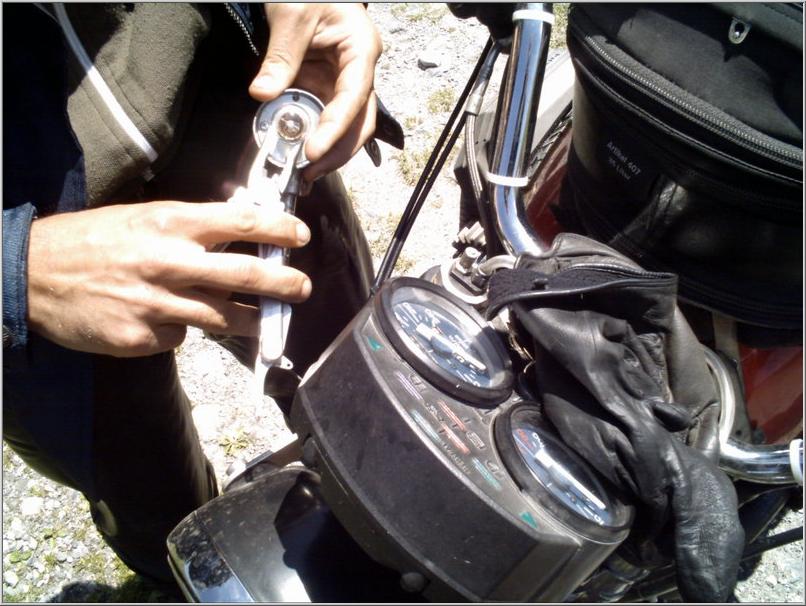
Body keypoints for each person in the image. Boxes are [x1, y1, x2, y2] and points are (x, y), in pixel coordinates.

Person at [2, 2, 382, 583]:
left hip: (236, 105)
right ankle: (188, 578)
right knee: (156, 503)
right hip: (37, 286)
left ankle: (384, 528)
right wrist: (18, 266)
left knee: (360, 396)